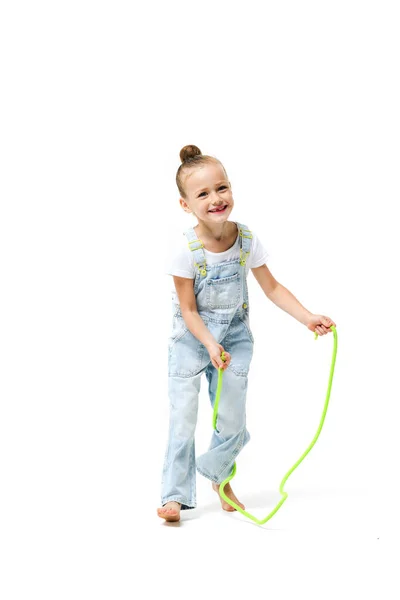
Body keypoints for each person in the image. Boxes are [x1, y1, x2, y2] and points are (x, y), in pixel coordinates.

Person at [157, 144, 336, 522]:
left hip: (234, 341)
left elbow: (272, 288)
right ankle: (174, 496)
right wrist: (208, 343)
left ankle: (219, 478)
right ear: (185, 204)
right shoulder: (183, 250)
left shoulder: (247, 240)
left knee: (233, 422)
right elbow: (188, 309)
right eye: (202, 193)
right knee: (183, 419)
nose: (216, 198)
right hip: (193, 343)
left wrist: (306, 316)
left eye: (221, 188)